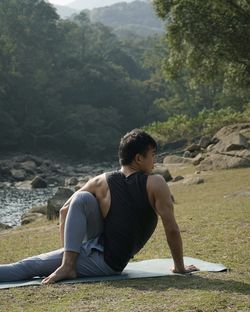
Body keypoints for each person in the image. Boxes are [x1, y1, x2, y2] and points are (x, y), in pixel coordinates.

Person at [0, 129, 197, 284]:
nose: (155, 161)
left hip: (104, 257)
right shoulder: (156, 183)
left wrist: (69, 252)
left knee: (28, 265)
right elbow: (170, 228)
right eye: (153, 155)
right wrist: (179, 267)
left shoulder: (100, 180)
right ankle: (69, 265)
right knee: (27, 267)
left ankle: (68, 263)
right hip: (107, 260)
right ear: (138, 158)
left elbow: (64, 210)